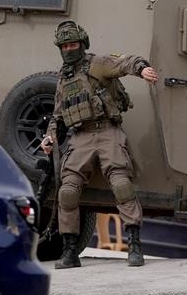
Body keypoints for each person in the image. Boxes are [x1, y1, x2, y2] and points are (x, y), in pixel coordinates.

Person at [40, 20, 159, 269]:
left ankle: (134, 245)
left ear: (83, 44)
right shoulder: (64, 77)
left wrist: (142, 69)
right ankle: (70, 250)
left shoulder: (98, 63)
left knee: (121, 184)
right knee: (67, 191)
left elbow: (126, 62)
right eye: (64, 46)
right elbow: (58, 115)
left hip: (107, 132)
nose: (69, 49)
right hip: (80, 136)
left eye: (73, 44)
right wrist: (50, 137)